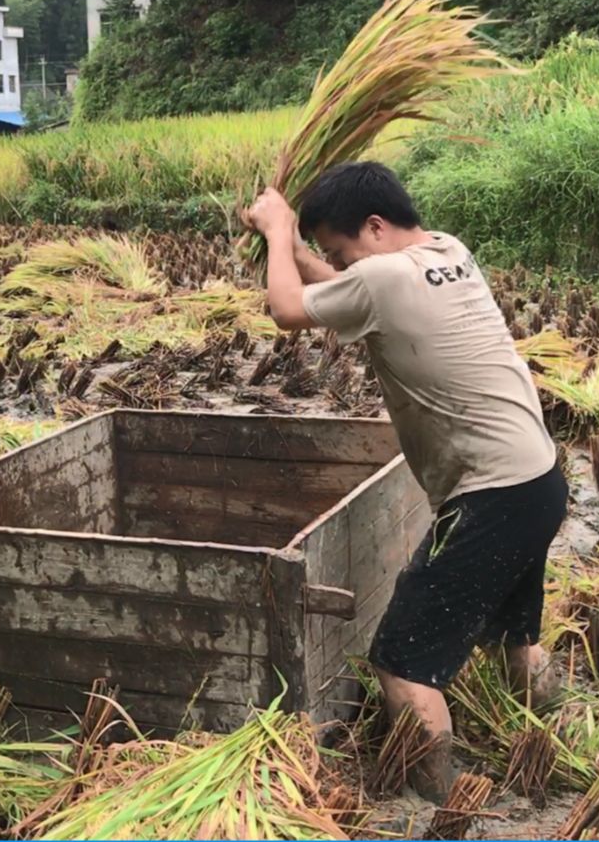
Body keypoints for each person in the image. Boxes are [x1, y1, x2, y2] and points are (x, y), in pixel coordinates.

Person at [239, 162, 566, 801]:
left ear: (376, 225)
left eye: (341, 248)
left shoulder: (382, 277)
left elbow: (285, 310)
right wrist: (311, 252)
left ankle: (440, 798)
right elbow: (347, 285)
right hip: (538, 479)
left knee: (402, 662)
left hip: (489, 496)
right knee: (514, 632)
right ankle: (548, 730)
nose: (340, 263)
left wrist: (278, 231)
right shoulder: (445, 251)